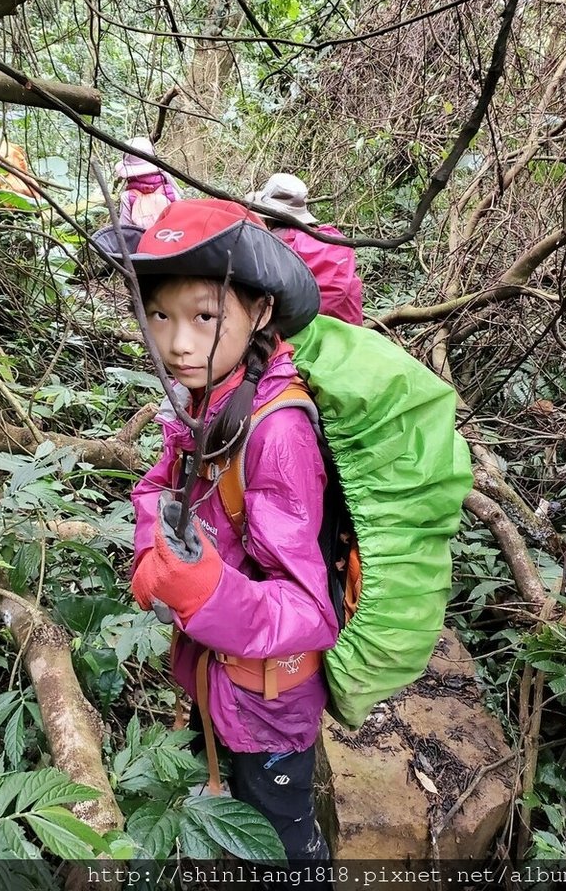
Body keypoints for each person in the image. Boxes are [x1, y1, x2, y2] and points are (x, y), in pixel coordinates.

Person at [94, 199, 338, 862]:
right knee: (242, 799)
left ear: (259, 312)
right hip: (218, 677)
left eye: (205, 316)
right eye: (161, 316)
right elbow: (157, 485)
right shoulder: (206, 400)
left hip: (270, 702)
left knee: (284, 838)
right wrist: (151, 545)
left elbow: (313, 610)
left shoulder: (276, 432)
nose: (177, 343)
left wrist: (206, 593)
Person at [246, 173, 363, 325]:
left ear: (267, 215)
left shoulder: (275, 244)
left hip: (299, 334)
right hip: (350, 332)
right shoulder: (334, 238)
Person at [115, 136, 181, 229]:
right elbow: (183, 219)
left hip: (143, 242)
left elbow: (125, 229)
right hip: (170, 238)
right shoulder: (170, 192)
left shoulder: (128, 197)